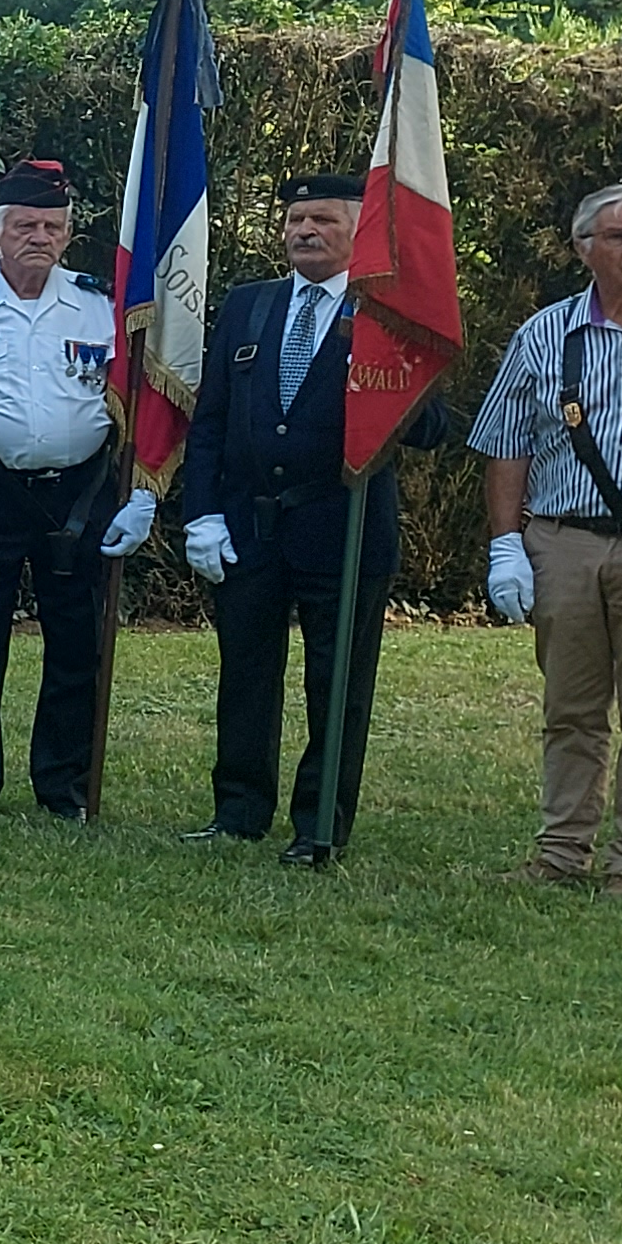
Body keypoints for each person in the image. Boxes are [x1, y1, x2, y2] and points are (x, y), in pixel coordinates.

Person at [174, 174, 447, 860]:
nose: (303, 231)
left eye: (322, 219)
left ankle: (319, 823)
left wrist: (388, 364)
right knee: (245, 673)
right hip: (250, 528)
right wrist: (201, 514)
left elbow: (433, 427)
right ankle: (238, 809)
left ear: (360, 230)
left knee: (338, 683)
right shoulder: (251, 307)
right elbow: (209, 424)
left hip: (344, 529)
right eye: (295, 219)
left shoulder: (384, 313)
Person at [467, 182, 622, 894]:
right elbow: (507, 444)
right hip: (564, 543)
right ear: (583, 250)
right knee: (570, 710)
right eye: (619, 237)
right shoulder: (545, 334)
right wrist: (505, 545)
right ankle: (561, 855)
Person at [0, 155, 152, 818]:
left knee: (78, 643)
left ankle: (64, 787)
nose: (38, 236)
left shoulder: (104, 308)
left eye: (52, 225)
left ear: (68, 233)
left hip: (79, 495)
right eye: (24, 224)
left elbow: (136, 405)